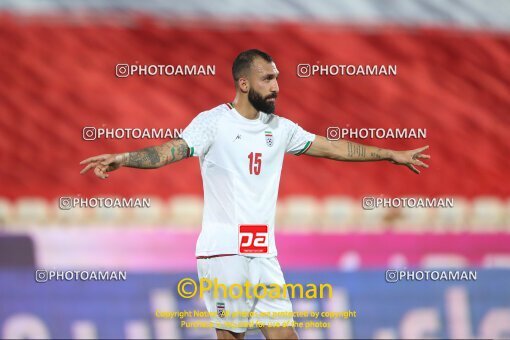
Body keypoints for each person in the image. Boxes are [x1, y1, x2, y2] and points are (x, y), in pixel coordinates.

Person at [80, 49, 430, 339]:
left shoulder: (279, 129)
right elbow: (170, 150)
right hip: (225, 250)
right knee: (232, 337)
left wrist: (390, 154)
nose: (276, 86)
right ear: (244, 83)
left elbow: (333, 147)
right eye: (268, 79)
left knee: (285, 336)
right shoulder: (214, 122)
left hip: (262, 250)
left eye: (277, 78)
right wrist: (124, 158)